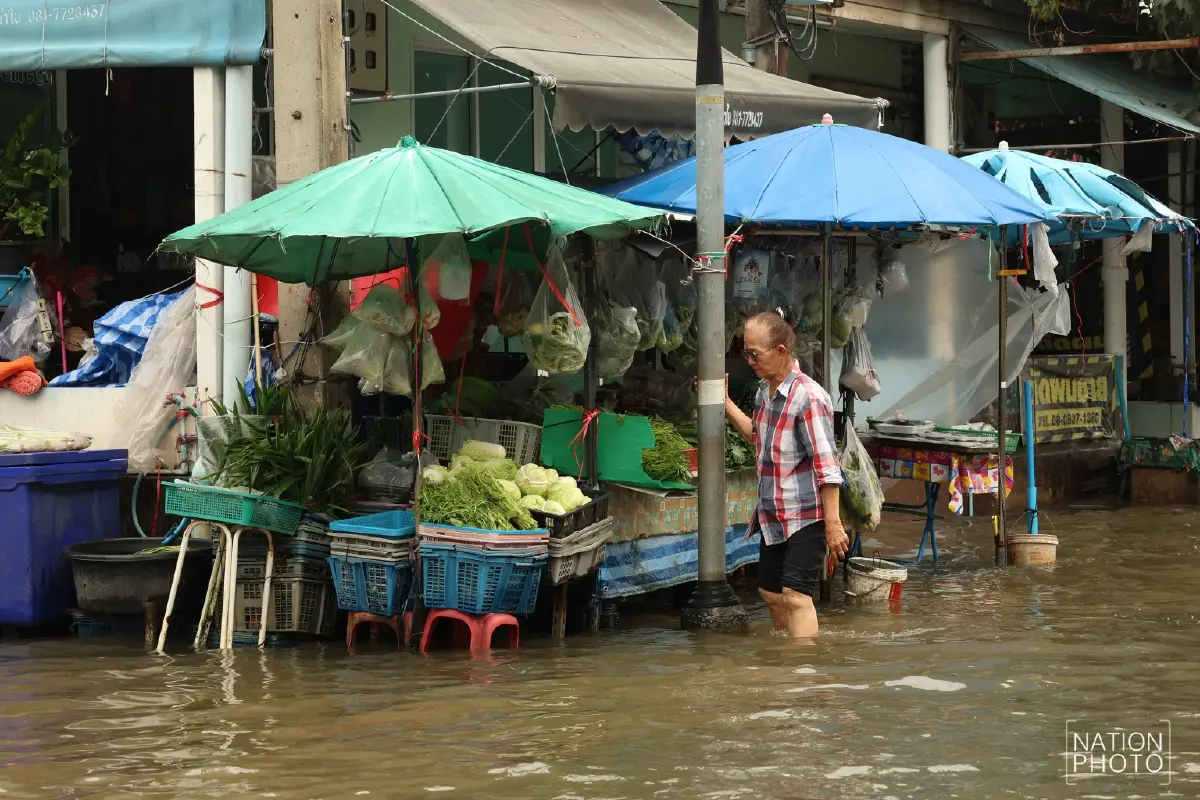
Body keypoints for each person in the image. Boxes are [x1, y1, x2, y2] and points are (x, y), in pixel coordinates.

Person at [724, 311, 847, 638]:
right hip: (774, 514)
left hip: (806, 515)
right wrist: (724, 403)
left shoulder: (809, 397)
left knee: (795, 596)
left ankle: (803, 673)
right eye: (745, 352)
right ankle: (788, 658)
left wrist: (833, 526)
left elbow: (827, 466)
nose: (749, 360)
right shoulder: (765, 392)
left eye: (755, 353)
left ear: (780, 352)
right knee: (770, 594)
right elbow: (758, 434)